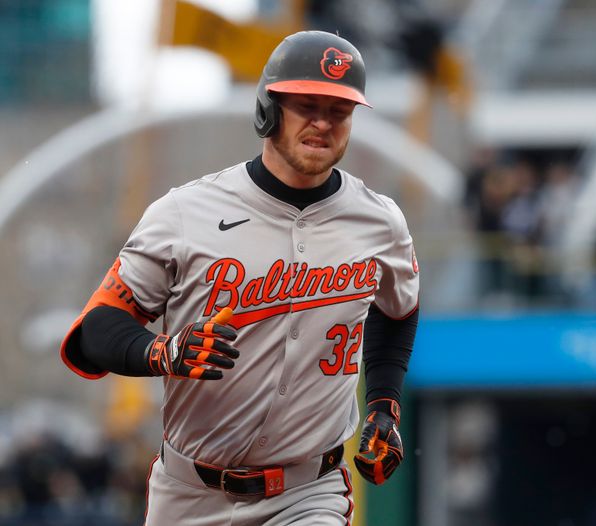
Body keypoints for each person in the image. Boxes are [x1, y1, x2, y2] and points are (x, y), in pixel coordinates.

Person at [59, 30, 419, 525]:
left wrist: (383, 404)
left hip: (309, 493)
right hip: (190, 492)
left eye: (339, 110)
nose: (322, 122)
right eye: (306, 105)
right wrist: (162, 352)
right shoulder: (185, 213)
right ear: (267, 110)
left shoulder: (381, 222)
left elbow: (397, 312)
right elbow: (95, 329)